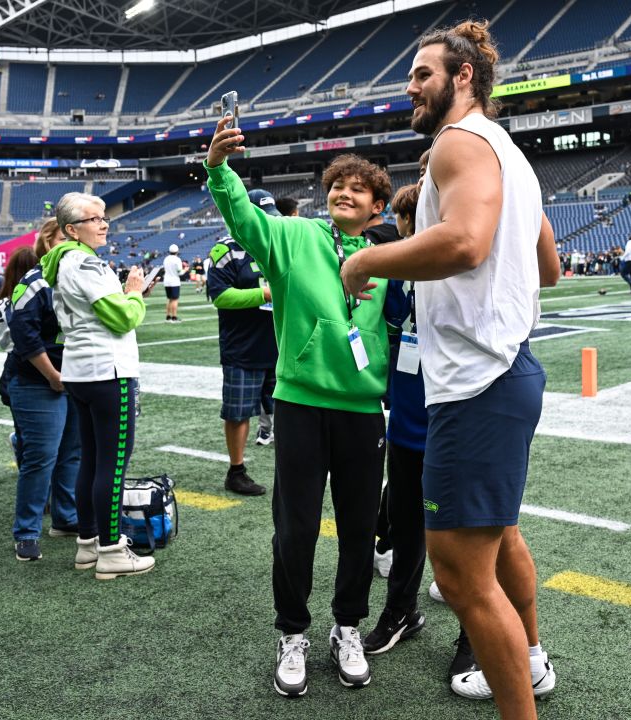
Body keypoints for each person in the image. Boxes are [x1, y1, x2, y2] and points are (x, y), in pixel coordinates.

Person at [338, 21, 555, 719]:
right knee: (501, 537)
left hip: (478, 382)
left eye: (423, 73)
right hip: (508, 371)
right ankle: (532, 659)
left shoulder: (457, 144)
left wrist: (367, 258)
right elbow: (548, 265)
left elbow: (464, 242)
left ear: (464, 77)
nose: (411, 86)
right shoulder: (510, 155)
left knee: (461, 578)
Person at [206, 121, 392, 697]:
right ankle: (291, 632)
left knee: (360, 527)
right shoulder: (293, 237)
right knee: (296, 527)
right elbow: (245, 220)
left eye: (358, 189)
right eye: (338, 184)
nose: (344, 192)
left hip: (363, 411)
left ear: (377, 205)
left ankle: (348, 627)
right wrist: (219, 170)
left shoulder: (390, 257)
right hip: (300, 404)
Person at [42, 192, 154, 580]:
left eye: (104, 217)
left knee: (90, 460)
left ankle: (89, 543)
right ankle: (111, 550)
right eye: (95, 219)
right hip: (107, 371)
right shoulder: (84, 263)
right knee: (111, 464)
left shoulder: (65, 261)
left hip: (82, 371)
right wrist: (135, 292)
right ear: (72, 229)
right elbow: (123, 318)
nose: (104, 224)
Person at [0, 220, 82, 562]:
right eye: (64, 238)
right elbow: (24, 336)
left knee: (71, 453)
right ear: (48, 241)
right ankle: (26, 531)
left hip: (73, 376)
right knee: (41, 457)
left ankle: (66, 517)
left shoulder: (80, 275)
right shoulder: (35, 280)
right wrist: (52, 374)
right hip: (37, 380)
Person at [206, 188, 281, 497]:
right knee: (238, 414)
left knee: (290, 414)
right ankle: (236, 471)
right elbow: (219, 296)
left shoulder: (277, 243)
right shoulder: (225, 250)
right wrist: (262, 295)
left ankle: (294, 469)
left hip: (280, 344)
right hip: (244, 348)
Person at [161, 244, 185, 323]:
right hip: (174, 281)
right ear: (177, 251)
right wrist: (186, 270)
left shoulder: (166, 259)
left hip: (166, 281)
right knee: (175, 300)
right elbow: (180, 272)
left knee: (169, 299)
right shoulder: (177, 259)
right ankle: (174, 317)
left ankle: (168, 317)